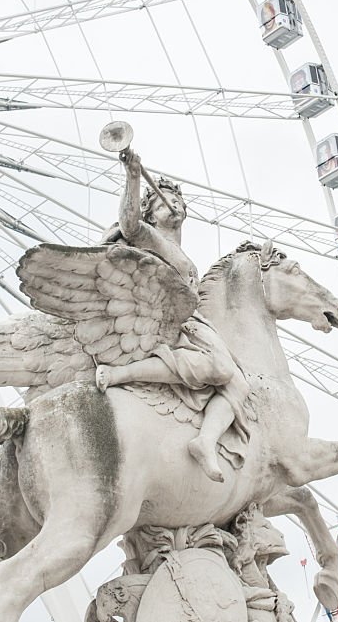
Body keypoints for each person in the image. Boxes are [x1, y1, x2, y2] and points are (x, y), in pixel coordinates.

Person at [94, 148, 250, 483]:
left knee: (239, 382)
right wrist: (134, 176)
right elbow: (129, 224)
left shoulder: (180, 250)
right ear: (152, 212)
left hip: (192, 323)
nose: (175, 203)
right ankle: (120, 375)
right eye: (165, 201)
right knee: (222, 368)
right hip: (165, 320)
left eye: (178, 200)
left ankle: (205, 440)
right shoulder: (149, 236)